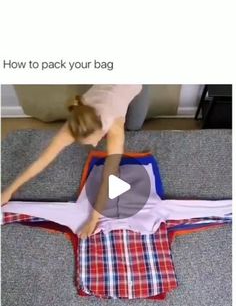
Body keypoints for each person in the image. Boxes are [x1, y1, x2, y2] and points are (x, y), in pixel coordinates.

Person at [1, 84, 149, 238]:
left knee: (134, 125)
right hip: (109, 88)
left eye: (96, 139)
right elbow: (42, 161)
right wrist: (9, 190)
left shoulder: (115, 127)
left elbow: (110, 178)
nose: (94, 145)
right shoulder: (75, 122)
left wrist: (93, 219)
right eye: (88, 142)